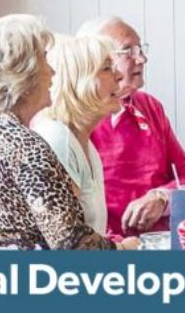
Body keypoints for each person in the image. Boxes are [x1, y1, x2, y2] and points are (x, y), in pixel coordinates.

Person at [0, 14, 132, 250]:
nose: (53, 71)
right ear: (24, 74)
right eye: (45, 58)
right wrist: (127, 250)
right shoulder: (25, 147)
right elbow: (73, 246)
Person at [80, 18, 185, 239]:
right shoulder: (80, 118)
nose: (142, 58)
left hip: (160, 241)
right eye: (128, 51)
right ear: (96, 61)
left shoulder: (150, 106)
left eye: (140, 49)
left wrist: (161, 197)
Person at [30, 34, 124, 235]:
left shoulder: (84, 144)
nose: (120, 76)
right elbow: (65, 239)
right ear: (76, 82)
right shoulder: (57, 139)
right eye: (107, 68)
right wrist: (124, 249)